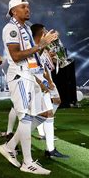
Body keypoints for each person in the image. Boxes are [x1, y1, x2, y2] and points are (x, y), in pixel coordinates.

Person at [0, 0, 58, 175]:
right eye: (23, 7)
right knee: (25, 117)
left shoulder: (25, 29)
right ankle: (28, 162)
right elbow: (16, 56)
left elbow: (32, 57)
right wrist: (41, 45)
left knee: (44, 114)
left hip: (31, 76)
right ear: (13, 11)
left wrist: (41, 78)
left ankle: (9, 147)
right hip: (20, 76)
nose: (27, 9)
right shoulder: (10, 28)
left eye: (28, 6)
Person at [30, 24, 69, 159]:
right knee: (29, 117)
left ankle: (50, 149)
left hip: (43, 85)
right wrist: (42, 83)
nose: (47, 33)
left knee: (48, 114)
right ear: (40, 35)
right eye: (45, 32)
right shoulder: (32, 49)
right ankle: (13, 142)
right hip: (35, 86)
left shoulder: (41, 50)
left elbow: (44, 67)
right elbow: (31, 68)